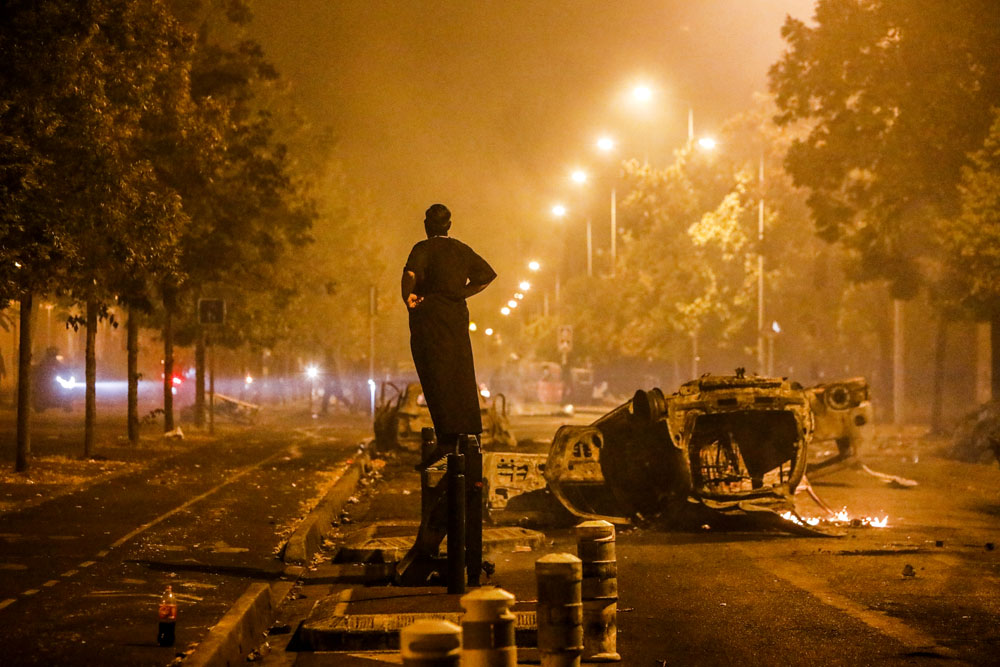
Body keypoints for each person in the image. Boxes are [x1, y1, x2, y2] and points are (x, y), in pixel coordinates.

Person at [401, 203, 496, 449]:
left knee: (435, 376)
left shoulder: (422, 248)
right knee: (461, 373)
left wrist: (408, 297)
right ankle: (469, 433)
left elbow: (410, 275)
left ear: (426, 226)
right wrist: (460, 293)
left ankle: (446, 439)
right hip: (456, 318)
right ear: (449, 226)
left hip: (429, 320)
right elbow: (485, 276)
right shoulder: (461, 249)